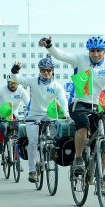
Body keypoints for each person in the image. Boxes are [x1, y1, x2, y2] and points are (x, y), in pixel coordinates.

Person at [39, 36, 105, 174]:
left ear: (104, 51)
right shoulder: (80, 60)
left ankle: (102, 176)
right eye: (92, 51)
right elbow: (61, 55)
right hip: (79, 104)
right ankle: (79, 158)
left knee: (103, 138)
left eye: (99, 50)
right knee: (83, 125)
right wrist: (50, 45)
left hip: (98, 106)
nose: (96, 54)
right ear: (89, 51)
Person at [10, 55, 70, 183]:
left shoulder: (57, 86)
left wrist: (66, 114)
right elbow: (17, 79)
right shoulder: (32, 81)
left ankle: (49, 153)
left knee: (54, 139)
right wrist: (14, 70)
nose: (46, 73)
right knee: (33, 142)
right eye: (43, 70)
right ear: (40, 71)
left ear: (53, 71)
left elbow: (63, 100)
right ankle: (32, 170)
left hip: (49, 115)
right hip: (33, 116)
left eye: (49, 70)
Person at [0, 75, 29, 140]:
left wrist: (30, 112)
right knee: (3, 129)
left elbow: (28, 104)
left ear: (18, 83)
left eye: (15, 83)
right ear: (7, 82)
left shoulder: (22, 91)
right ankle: (0, 147)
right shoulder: (1, 89)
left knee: (19, 132)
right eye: (11, 83)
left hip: (14, 114)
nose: (13, 85)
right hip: (1, 114)